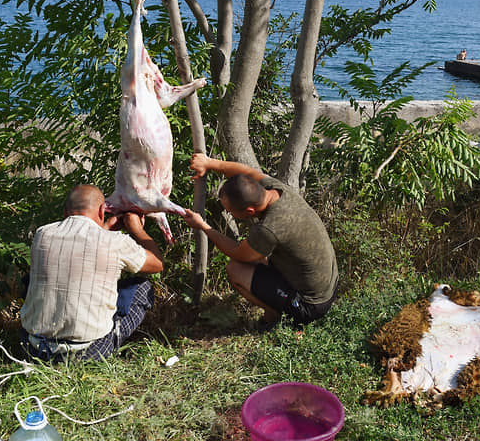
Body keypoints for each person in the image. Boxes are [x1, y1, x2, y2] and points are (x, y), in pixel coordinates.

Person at [182, 153, 339, 330]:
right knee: (257, 255)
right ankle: (279, 306)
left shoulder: (268, 228)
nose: (229, 214)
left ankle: (277, 317)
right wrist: (210, 163)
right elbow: (247, 172)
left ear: (249, 211)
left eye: (230, 211)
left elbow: (237, 252)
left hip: (310, 304)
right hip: (329, 285)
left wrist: (203, 226)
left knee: (235, 269)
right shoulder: (277, 189)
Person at [20, 184, 163, 361]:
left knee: (32, 279)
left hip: (34, 347)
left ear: (65, 212)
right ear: (102, 211)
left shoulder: (42, 234)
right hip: (90, 352)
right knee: (143, 288)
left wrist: (104, 228)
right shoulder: (114, 241)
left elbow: (77, 251)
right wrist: (137, 230)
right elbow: (156, 264)